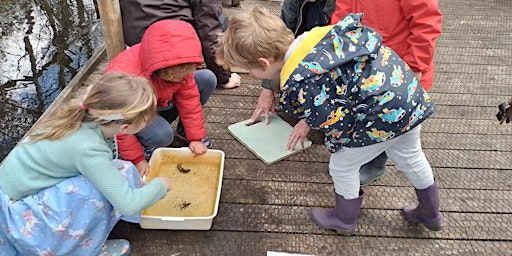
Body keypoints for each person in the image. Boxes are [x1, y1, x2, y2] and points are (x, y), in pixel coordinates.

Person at [216, 7, 442, 234]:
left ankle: (344, 219)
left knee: (342, 166)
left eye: (249, 70)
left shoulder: (303, 80)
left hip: (379, 117)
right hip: (408, 98)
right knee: (411, 156)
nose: (251, 75)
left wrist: (336, 145)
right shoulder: (315, 36)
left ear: (264, 63)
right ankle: (430, 213)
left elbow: (337, 123)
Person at [0, 73, 171, 255]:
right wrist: (161, 185)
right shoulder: (88, 149)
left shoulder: (85, 118)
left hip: (23, 192)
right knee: (93, 193)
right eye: (147, 118)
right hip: (17, 216)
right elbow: (128, 204)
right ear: (125, 128)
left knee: (120, 170)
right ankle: (82, 249)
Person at [328, 0, 443, 186]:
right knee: (368, 116)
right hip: (367, 68)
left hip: (401, 71)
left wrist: (415, 65)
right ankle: (368, 159)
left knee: (402, 137)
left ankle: (375, 164)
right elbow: (342, 17)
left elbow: (427, 23)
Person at [105, 19, 214, 177]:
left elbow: (189, 102)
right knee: (162, 135)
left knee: (207, 78)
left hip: (161, 101)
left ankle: (184, 133)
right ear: (160, 70)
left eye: (185, 75)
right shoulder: (124, 77)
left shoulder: (181, 64)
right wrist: (137, 159)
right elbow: (119, 127)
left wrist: (195, 138)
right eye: (174, 77)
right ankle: (146, 146)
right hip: (136, 116)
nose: (181, 80)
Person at [119, 0, 241, 89]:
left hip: (137, 38)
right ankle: (185, 66)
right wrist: (223, 77)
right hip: (172, 44)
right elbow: (208, 29)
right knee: (221, 20)